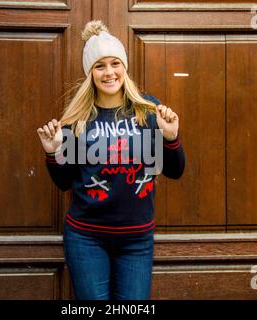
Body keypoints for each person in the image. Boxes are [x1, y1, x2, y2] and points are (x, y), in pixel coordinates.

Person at [37, 20, 185, 300]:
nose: (109, 72)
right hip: (86, 238)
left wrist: (171, 138)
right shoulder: (77, 118)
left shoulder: (148, 110)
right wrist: (54, 152)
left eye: (115, 63)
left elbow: (175, 171)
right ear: (90, 72)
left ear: (124, 67)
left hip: (137, 239)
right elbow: (65, 182)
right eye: (100, 65)